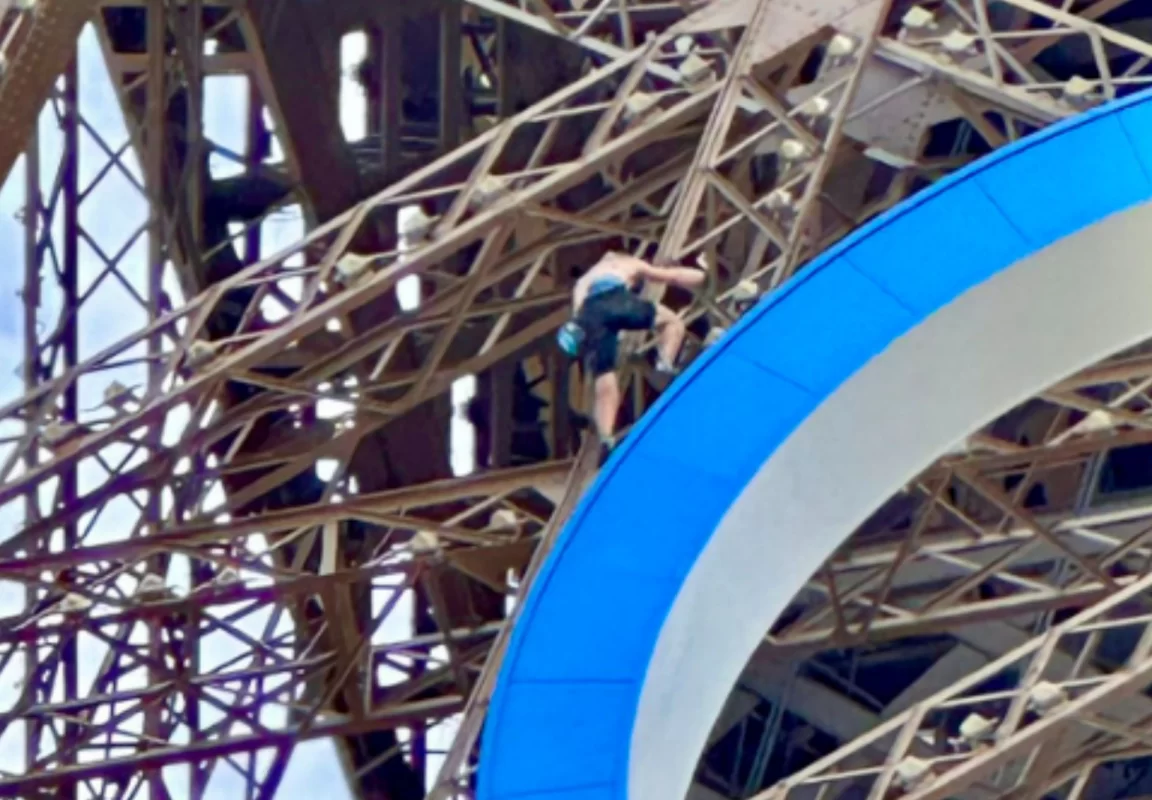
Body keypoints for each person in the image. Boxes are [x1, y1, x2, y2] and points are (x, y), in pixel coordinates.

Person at [556, 250, 706, 459]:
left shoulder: (585, 279)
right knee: (672, 322)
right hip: (618, 298)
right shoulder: (627, 264)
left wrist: (585, 333)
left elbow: (578, 311)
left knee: (605, 379)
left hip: (591, 313)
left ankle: (606, 437)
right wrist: (704, 277)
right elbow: (672, 277)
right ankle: (664, 363)